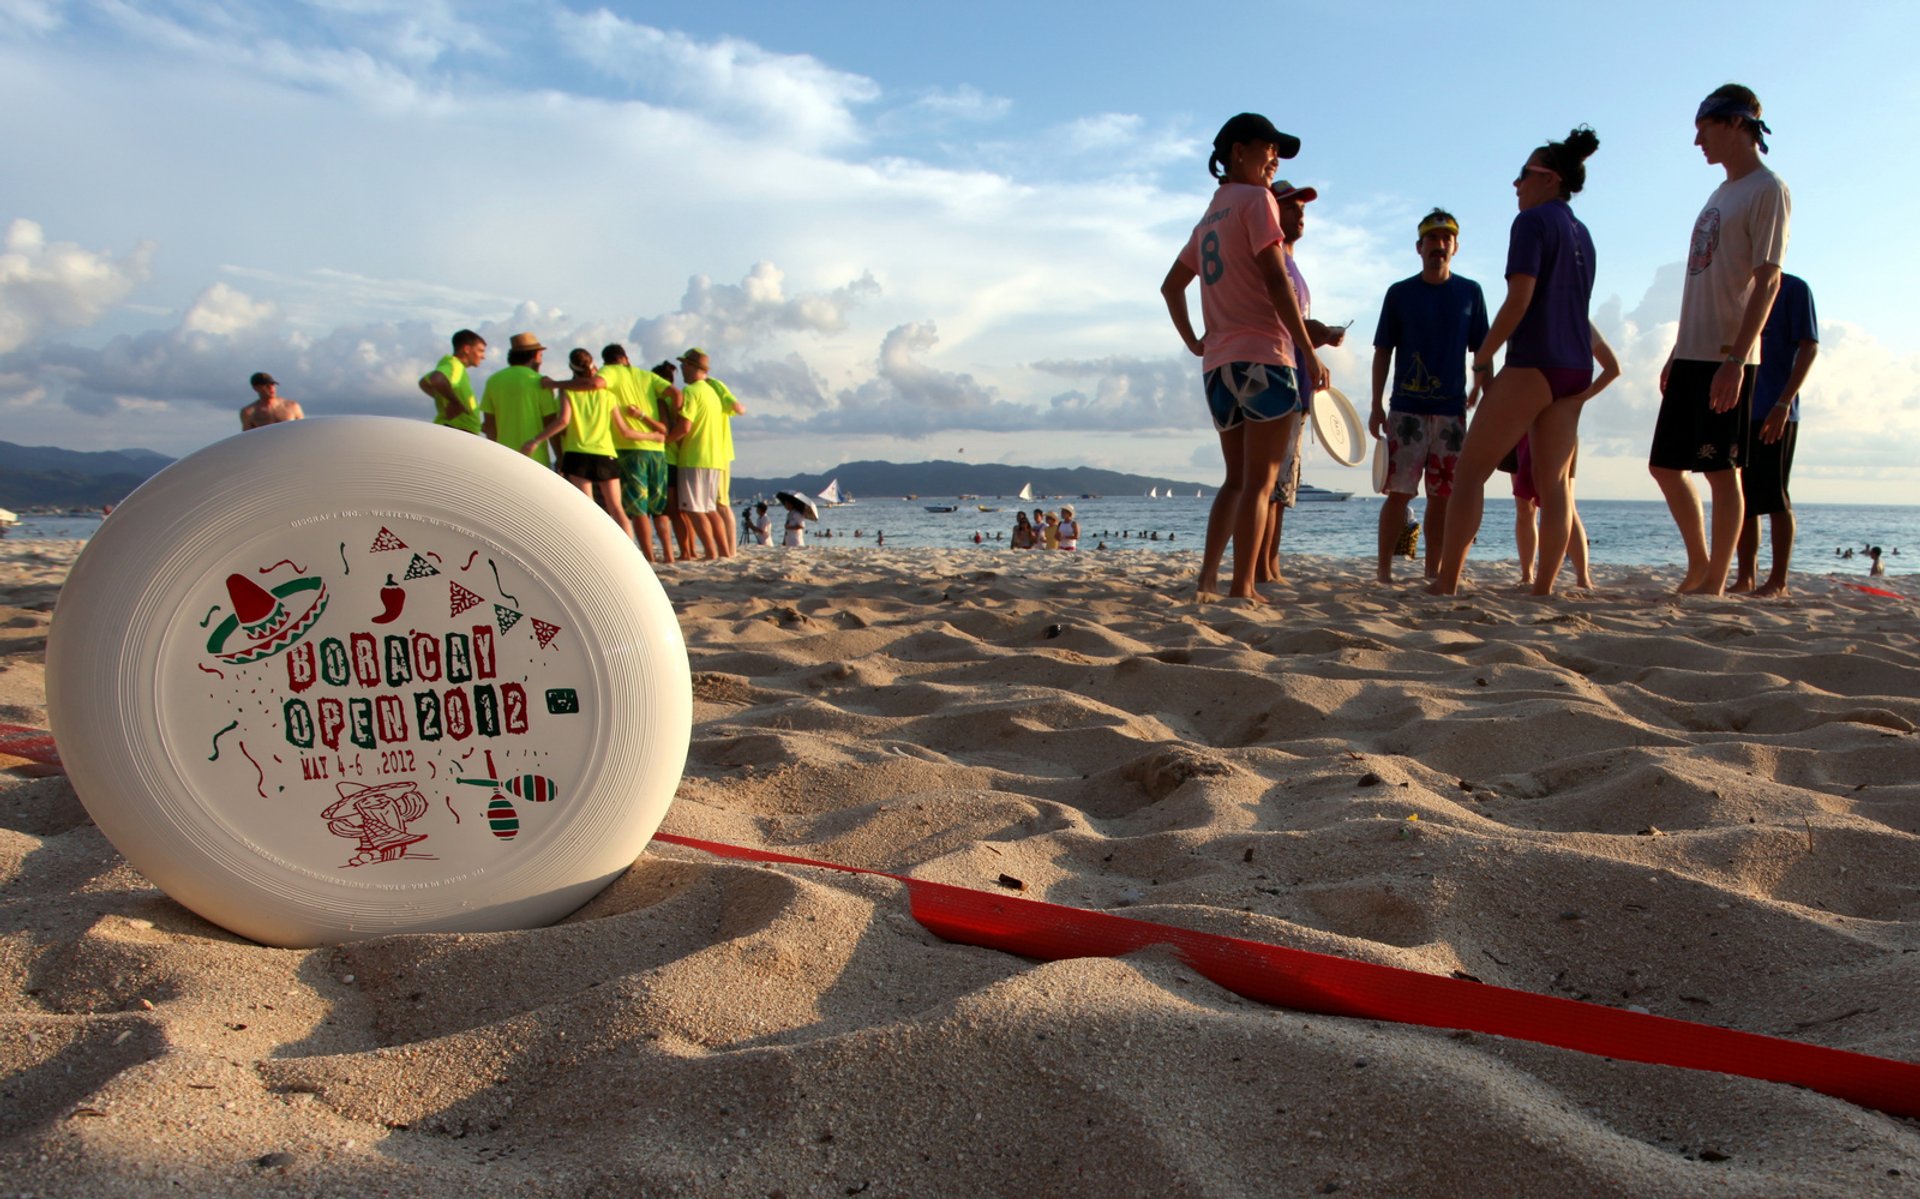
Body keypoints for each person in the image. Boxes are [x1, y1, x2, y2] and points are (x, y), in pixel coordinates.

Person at [1428, 126, 1603, 597]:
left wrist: (1483, 357)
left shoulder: (1532, 222)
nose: (1516, 183)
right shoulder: (1582, 232)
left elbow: (1519, 299)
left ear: (1549, 179)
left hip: (1536, 361)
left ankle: (1446, 583)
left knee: (1468, 473)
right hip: (1575, 367)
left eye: (1523, 174)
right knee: (1556, 485)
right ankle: (1544, 587)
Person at [1161, 112, 1325, 602]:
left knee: (1234, 480)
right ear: (1237, 151)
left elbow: (1172, 286)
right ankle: (1244, 587)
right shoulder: (1257, 202)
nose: (1273, 158)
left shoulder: (1211, 214)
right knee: (1261, 482)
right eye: (1267, 148)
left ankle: (1207, 580)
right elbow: (1277, 282)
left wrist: (1195, 339)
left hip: (1219, 365)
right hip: (1265, 356)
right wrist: (1309, 350)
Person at [1650, 83, 1790, 596]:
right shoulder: (1719, 193)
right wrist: (1675, 349)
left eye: (1702, 129)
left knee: (1720, 468)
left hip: (1728, 355)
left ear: (1734, 123)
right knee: (1665, 465)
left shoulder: (1766, 188)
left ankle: (1713, 581)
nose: (1697, 143)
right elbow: (1701, 279)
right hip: (1693, 350)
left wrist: (1735, 358)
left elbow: (1768, 280)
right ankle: (1701, 565)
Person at [1369, 209, 1489, 583]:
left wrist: (1482, 388)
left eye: (1446, 239)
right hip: (1406, 410)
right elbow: (1383, 351)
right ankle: (1384, 571)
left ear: (1455, 246)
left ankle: (1434, 571)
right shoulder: (1400, 293)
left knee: (1442, 497)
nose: (1440, 245)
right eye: (1432, 240)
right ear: (1419, 247)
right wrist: (1375, 404)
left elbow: (1482, 351)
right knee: (1399, 493)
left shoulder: (1470, 292)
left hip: (1451, 412)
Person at [1257, 180, 1347, 586]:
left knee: (1283, 488)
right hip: (1279, 377)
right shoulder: (1273, 256)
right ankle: (1262, 566)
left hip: (1295, 382)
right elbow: (1285, 319)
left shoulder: (1291, 262)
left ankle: (1271, 564)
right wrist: (1320, 336)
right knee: (1271, 483)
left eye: (1301, 207)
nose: (1299, 213)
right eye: (1290, 206)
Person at [1733, 273, 1818, 596]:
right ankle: (1746, 577)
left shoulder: (1794, 289)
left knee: (1775, 495)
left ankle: (1778, 580)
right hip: (1739, 407)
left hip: (1776, 409)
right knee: (1744, 497)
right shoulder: (1738, 286)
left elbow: (1809, 348)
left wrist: (1784, 402)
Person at [597, 344, 677, 563]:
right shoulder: (647, 376)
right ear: (626, 358)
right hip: (658, 450)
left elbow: (597, 383)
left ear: (607, 361)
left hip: (629, 448)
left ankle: (649, 557)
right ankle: (669, 555)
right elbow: (675, 393)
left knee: (638, 509)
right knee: (659, 509)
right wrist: (674, 417)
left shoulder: (609, 372)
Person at [673, 349, 733, 560]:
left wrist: (666, 439)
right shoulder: (712, 393)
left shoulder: (691, 392)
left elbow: (685, 426)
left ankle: (710, 552)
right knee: (709, 508)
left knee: (694, 509)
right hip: (715, 457)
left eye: (683, 365)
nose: (681, 369)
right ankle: (724, 552)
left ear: (691, 367)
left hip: (694, 455)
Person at [481, 333, 562, 467]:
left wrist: (494, 453)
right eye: (540, 356)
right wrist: (559, 456)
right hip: (535, 458)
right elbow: (550, 422)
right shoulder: (539, 382)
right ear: (535, 356)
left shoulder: (493, 380)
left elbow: (489, 425)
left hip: (503, 457)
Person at [418, 329, 487, 434]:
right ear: (467, 349)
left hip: (456, 430)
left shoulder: (454, 367)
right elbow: (436, 379)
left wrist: (442, 397)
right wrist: (454, 402)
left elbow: (424, 382)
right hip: (456, 430)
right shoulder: (455, 365)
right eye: (480, 351)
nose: (483, 356)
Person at [239, 371, 303, 428]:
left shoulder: (293, 406)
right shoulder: (249, 412)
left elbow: (302, 429)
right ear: (256, 388)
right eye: (266, 385)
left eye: (272, 384)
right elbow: (247, 437)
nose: (271, 388)